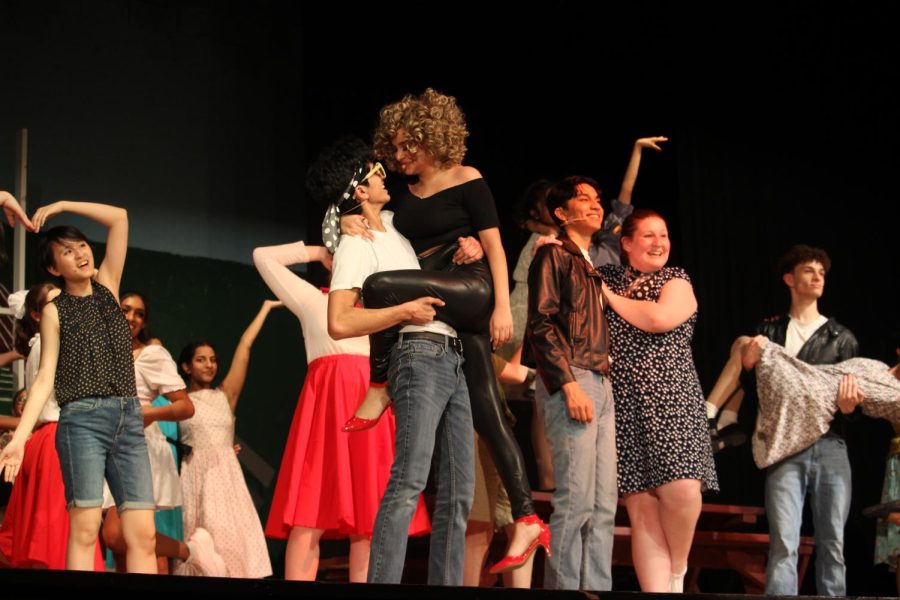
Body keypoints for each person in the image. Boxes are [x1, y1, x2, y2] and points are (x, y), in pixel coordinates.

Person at [340, 88, 547, 568]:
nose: (399, 156)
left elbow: (494, 248)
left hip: (472, 291)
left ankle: (378, 382)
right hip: (445, 317)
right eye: (393, 149)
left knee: (378, 286)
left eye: (407, 145)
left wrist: (502, 308)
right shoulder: (401, 201)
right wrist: (348, 221)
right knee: (488, 412)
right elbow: (370, 222)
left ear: (432, 136)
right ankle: (527, 518)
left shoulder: (467, 178)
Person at [323, 138, 474, 585]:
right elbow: (340, 322)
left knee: (458, 491)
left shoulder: (395, 224)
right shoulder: (356, 244)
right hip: (416, 352)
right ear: (359, 190)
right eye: (374, 173)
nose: (384, 175)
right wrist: (403, 311)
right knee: (410, 479)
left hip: (452, 351)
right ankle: (382, 586)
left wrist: (465, 252)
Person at [254, 233, 429, 582]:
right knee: (308, 514)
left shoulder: (384, 307)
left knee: (369, 518)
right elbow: (262, 256)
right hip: (325, 413)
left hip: (373, 406)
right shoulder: (312, 299)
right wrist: (319, 252)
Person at [0, 200, 158, 573]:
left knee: (144, 535)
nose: (80, 254)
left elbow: (120, 217)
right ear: (54, 269)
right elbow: (43, 380)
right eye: (66, 252)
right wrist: (19, 441)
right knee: (85, 531)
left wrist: (60, 207)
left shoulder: (108, 287)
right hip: (82, 422)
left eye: (81, 245)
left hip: (128, 418)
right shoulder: (56, 311)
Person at [598, 209, 718, 593]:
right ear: (627, 243)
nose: (658, 243)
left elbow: (659, 319)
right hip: (625, 399)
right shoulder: (609, 278)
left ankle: (678, 571)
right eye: (648, 236)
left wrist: (608, 298)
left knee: (682, 488)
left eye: (663, 235)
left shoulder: (675, 279)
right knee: (642, 504)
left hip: (673, 395)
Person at [741, 244, 859, 596]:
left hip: (830, 444)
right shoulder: (770, 332)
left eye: (822, 272)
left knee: (833, 543)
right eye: (809, 270)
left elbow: (850, 400)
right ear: (789, 279)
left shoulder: (842, 338)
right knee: (783, 544)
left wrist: (850, 408)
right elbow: (758, 391)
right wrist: (748, 369)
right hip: (784, 447)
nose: (818, 277)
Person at [526, 176, 616, 590]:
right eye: (584, 200)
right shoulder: (553, 255)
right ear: (562, 213)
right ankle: (562, 591)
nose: (595, 206)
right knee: (576, 499)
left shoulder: (588, 260)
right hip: (574, 377)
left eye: (597, 200)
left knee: (602, 505)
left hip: (600, 378)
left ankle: (595, 588)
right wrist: (567, 384)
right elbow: (541, 324)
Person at [99, 291, 225, 576]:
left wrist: (149, 414)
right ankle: (190, 551)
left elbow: (185, 406)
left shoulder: (150, 355)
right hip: (109, 450)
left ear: (144, 323)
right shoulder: (103, 357)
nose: (131, 317)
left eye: (139, 313)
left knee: (117, 536)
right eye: (125, 309)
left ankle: (187, 551)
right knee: (121, 546)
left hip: (139, 449)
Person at [0, 283, 105, 570]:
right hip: (58, 441)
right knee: (57, 537)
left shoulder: (42, 345)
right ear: (37, 315)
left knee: (52, 535)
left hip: (47, 440)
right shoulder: (51, 344)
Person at [177, 301, 279, 578]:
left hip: (226, 475)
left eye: (212, 359)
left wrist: (266, 309)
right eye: (201, 359)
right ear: (186, 366)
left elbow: (244, 347)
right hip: (195, 473)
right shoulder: (178, 401)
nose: (209, 365)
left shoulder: (225, 395)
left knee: (230, 539)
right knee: (201, 537)